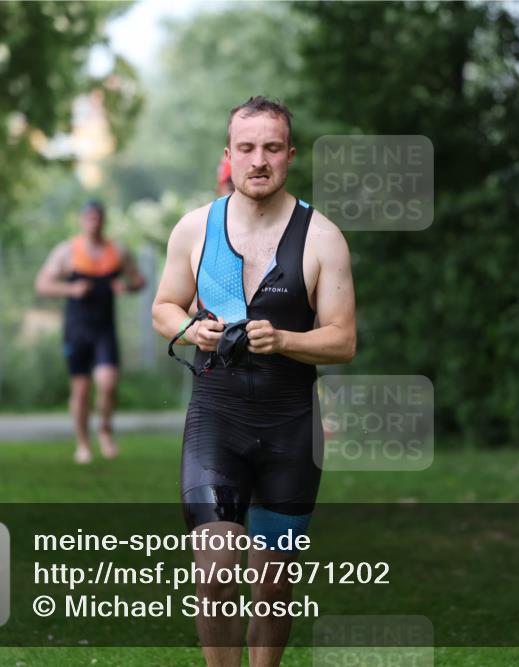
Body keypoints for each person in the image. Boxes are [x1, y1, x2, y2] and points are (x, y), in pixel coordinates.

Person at [152, 96, 356, 667]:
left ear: (289, 156)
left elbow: (343, 339)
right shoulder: (195, 228)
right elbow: (164, 308)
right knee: (215, 568)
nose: (258, 160)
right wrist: (193, 330)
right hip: (216, 419)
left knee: (272, 581)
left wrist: (285, 340)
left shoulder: (322, 238)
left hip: (291, 428)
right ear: (229, 156)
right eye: (247, 148)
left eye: (271, 148)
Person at [35, 200, 146, 464]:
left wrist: (126, 287)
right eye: (89, 218)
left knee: (108, 384)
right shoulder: (67, 252)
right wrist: (71, 290)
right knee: (82, 390)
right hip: (76, 330)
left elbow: (139, 280)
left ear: (103, 220)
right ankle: (83, 444)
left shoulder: (117, 251)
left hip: (104, 329)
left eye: (98, 218)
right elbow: (42, 284)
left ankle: (105, 429)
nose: (93, 222)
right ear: (82, 220)